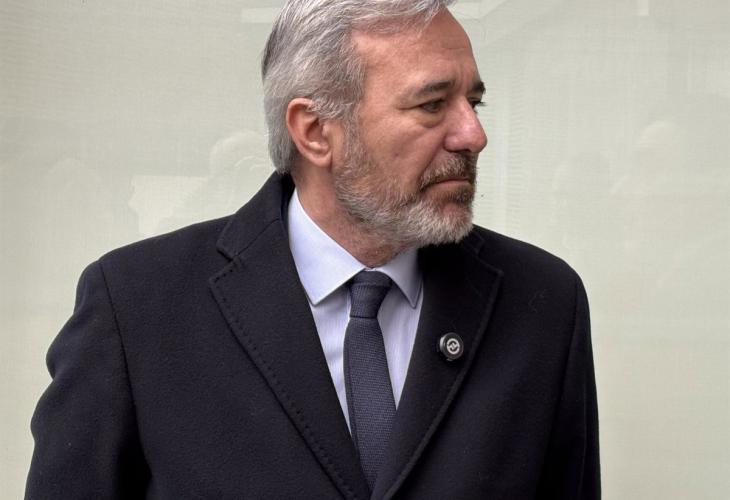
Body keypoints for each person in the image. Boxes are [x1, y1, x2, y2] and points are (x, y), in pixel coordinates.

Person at [25, 1, 600, 498]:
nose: (473, 134)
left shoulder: (542, 304)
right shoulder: (137, 308)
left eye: (474, 102)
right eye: (431, 104)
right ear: (315, 130)